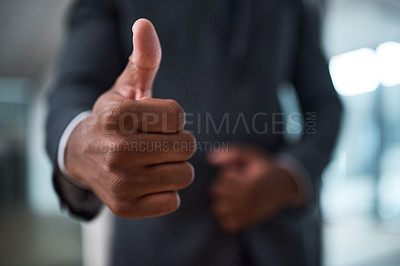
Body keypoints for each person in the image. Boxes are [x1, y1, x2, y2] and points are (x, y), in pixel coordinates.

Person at [46, 0, 342, 265]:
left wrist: (290, 174)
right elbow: (74, 89)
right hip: (162, 242)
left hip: (280, 241)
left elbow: (324, 105)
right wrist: (83, 143)